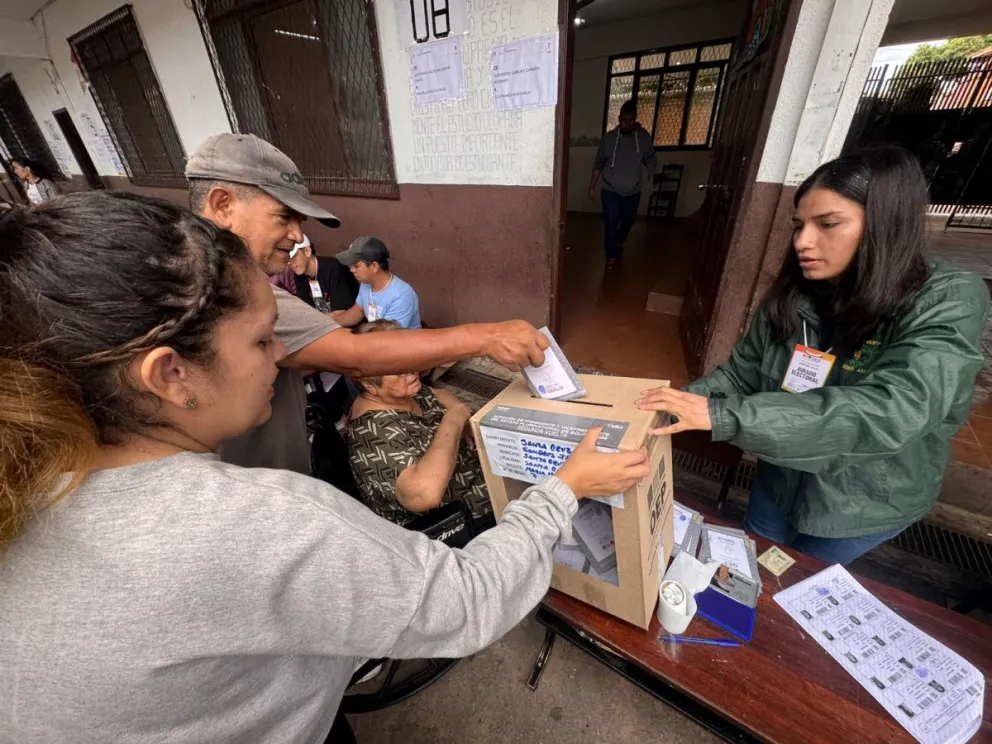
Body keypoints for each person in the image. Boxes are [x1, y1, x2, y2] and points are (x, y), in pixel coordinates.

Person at [0, 191, 652, 743]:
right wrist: (565, 488)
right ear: (170, 375)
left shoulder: (28, 477)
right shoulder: (259, 520)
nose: (285, 362)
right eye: (263, 342)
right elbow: (470, 598)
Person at [636, 146, 990, 565]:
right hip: (779, 477)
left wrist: (724, 416)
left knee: (798, 585)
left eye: (828, 224)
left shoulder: (946, 298)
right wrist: (664, 410)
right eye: (798, 225)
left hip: (860, 499)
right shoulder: (795, 294)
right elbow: (739, 376)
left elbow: (894, 409)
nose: (803, 242)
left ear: (884, 225)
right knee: (751, 569)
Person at [185, 133, 548, 477]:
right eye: (284, 216)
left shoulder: (201, 280)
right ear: (223, 204)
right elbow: (355, 354)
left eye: (301, 221)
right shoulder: (227, 294)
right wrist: (487, 338)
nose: (297, 236)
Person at [347, 320, 491, 525]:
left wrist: (460, 416)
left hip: (479, 480)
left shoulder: (402, 393)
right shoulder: (373, 435)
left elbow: (441, 395)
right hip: (459, 520)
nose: (413, 370)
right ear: (370, 384)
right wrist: (454, 421)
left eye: (411, 360)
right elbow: (424, 495)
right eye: (399, 369)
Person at [588, 100, 656, 268]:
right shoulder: (609, 139)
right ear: (619, 119)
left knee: (628, 221)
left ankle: (619, 239)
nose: (627, 124)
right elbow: (599, 164)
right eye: (624, 120)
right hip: (610, 189)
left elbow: (650, 160)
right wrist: (592, 186)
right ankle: (612, 255)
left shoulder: (643, 137)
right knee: (611, 221)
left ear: (635, 119)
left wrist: (650, 180)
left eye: (631, 120)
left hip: (633, 191)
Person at [331, 236, 421, 329]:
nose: (351, 270)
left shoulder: (401, 295)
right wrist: (331, 323)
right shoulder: (366, 283)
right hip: (374, 336)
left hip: (398, 340)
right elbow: (358, 310)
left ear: (374, 266)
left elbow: (388, 335)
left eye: (356, 266)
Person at [288, 233, 358, 314]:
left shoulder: (333, 268)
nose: (289, 263)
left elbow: (340, 312)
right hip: (324, 322)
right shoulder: (299, 274)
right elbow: (306, 310)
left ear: (307, 251)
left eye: (294, 256)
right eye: (287, 258)